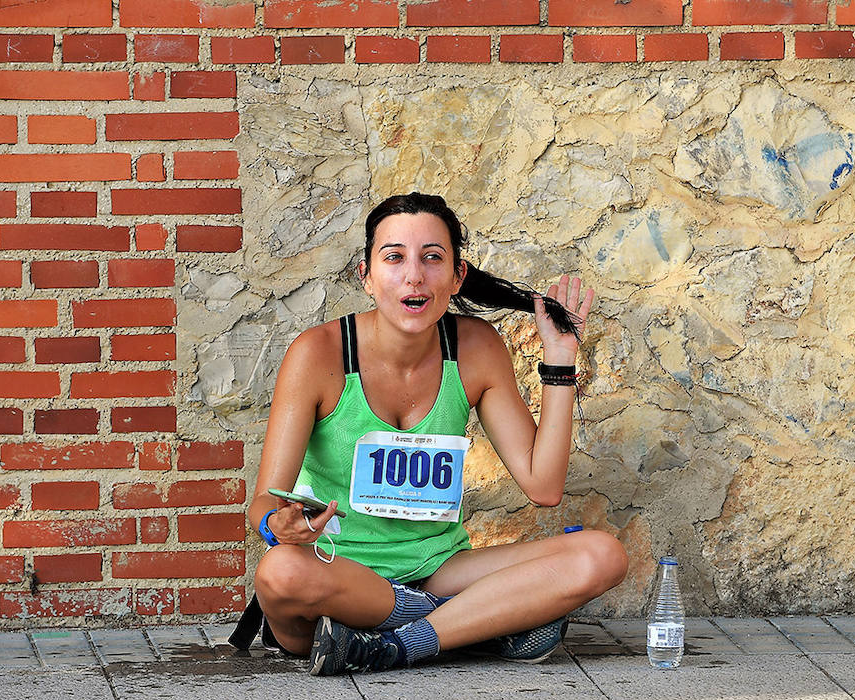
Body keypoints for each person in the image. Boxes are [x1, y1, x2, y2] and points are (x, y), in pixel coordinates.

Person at [241, 192, 628, 675]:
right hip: (336, 572)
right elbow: (262, 503)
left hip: (438, 571)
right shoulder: (317, 354)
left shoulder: (474, 347)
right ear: (366, 275)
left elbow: (543, 485)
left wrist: (560, 360)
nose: (414, 275)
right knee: (279, 572)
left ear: (457, 275)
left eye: (432, 257)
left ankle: (401, 644)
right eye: (394, 257)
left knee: (601, 554)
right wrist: (275, 527)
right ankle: (479, 622)